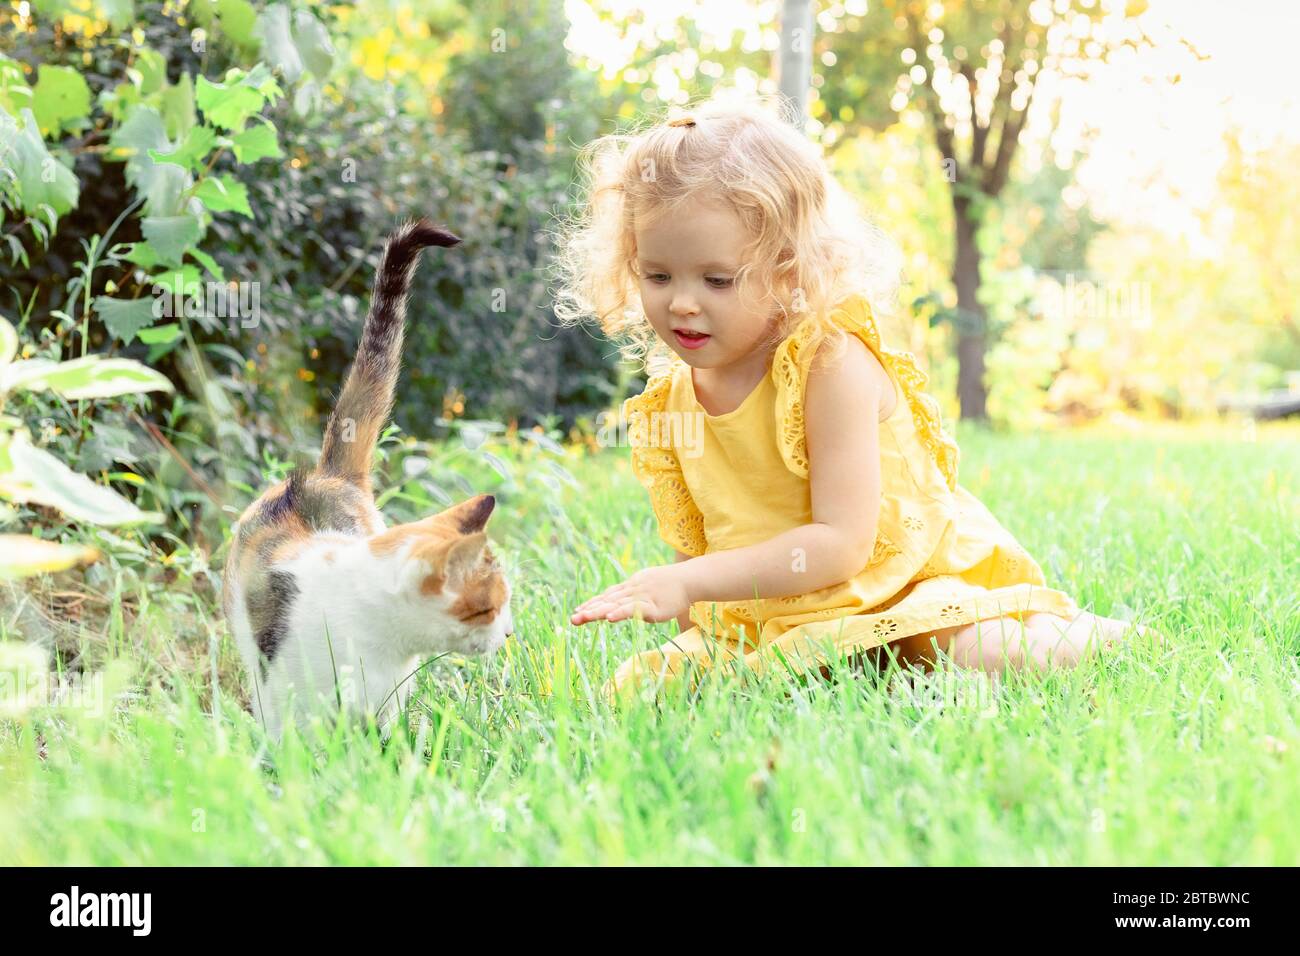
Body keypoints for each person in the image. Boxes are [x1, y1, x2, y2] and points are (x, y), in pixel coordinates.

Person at [553, 94, 1153, 703]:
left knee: (984, 655)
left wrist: (690, 583)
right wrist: (693, 631)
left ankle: (1102, 639)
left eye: (717, 280)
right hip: (777, 616)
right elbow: (695, 563)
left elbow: (840, 545)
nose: (682, 302)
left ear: (788, 267)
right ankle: (824, 665)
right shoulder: (668, 407)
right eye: (658, 276)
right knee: (644, 693)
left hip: (897, 589)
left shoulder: (827, 365)